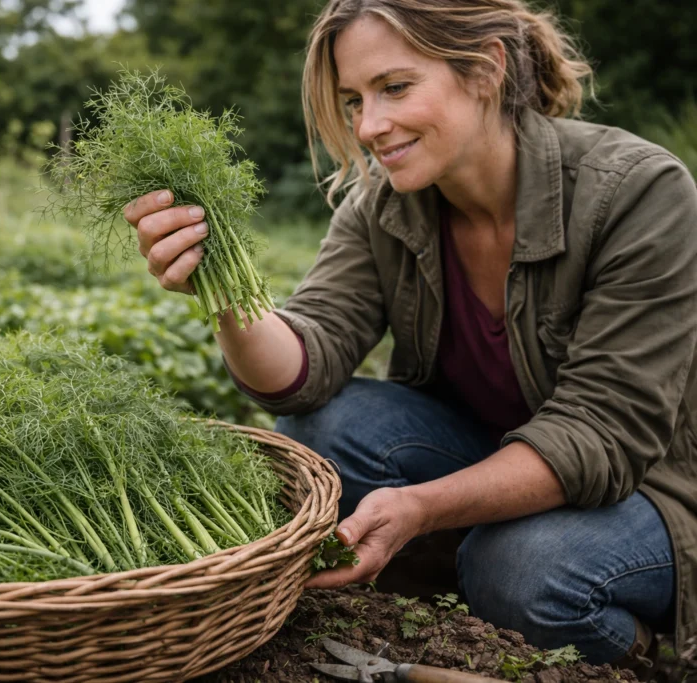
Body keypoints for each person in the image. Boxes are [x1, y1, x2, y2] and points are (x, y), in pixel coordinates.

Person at [121, 0, 697, 674]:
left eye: (394, 88)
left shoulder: (637, 192)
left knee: (522, 569)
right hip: (493, 459)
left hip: (646, 491)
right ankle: (464, 579)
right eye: (353, 100)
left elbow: (600, 433)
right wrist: (217, 288)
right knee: (327, 424)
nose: (369, 125)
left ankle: (647, 652)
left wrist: (421, 505)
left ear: (485, 69)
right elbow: (305, 364)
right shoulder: (385, 206)